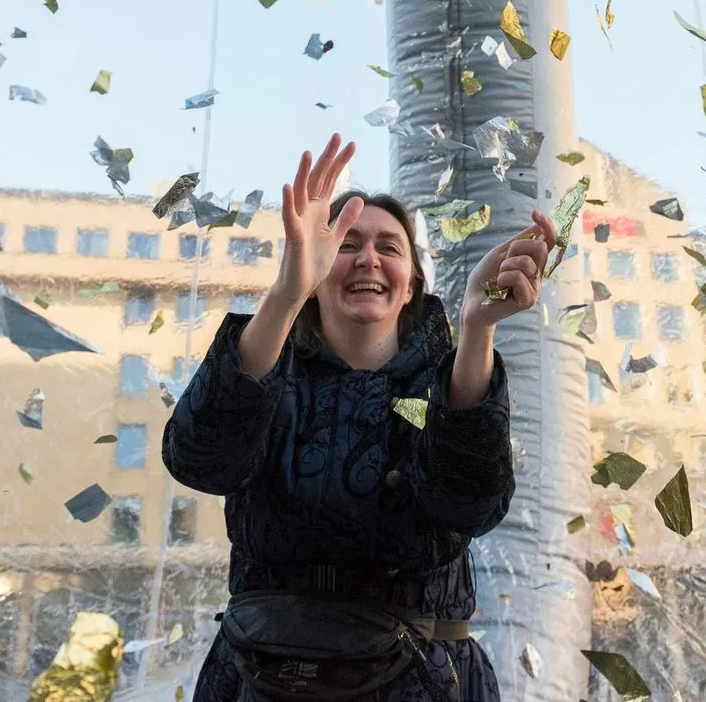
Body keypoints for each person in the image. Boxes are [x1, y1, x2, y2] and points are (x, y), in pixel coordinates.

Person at [163, 133, 555, 701]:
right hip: (264, 678)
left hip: (416, 682)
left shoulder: (443, 384)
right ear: (319, 270)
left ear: (412, 285)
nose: (368, 258)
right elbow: (199, 462)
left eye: (390, 247)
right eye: (347, 243)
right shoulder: (270, 368)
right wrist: (286, 291)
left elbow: (470, 504)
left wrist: (477, 330)